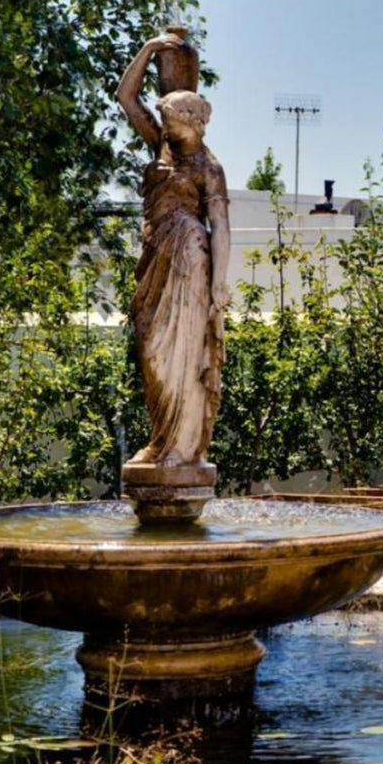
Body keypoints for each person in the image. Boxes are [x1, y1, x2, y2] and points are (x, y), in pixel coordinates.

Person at [116, 34, 230, 469]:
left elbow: (219, 225)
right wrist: (145, 49)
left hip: (189, 261)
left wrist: (218, 284)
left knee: (181, 353)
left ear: (194, 123)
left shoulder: (208, 167)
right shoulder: (158, 143)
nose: (165, 128)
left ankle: (180, 449)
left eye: (173, 122)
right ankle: (161, 439)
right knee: (150, 350)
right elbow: (127, 98)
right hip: (154, 255)